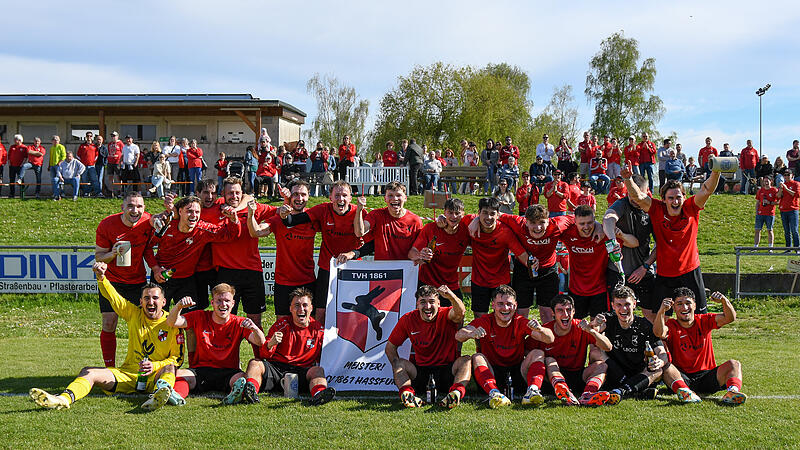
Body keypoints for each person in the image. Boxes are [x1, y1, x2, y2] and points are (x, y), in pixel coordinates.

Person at [29, 262, 182, 411]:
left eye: (155, 298)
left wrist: (154, 366)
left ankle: (158, 395)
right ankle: (62, 399)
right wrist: (101, 278)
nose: (151, 302)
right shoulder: (134, 313)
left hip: (156, 376)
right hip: (128, 374)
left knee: (169, 367)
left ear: (163, 301)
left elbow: (177, 359)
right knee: (89, 371)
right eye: (147, 298)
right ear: (141, 301)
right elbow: (114, 297)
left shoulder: (172, 323)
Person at [622, 158, 721, 314]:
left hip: (690, 272)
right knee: (661, 320)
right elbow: (638, 197)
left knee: (699, 319)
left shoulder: (691, 208)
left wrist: (716, 171)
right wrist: (627, 179)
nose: (675, 201)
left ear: (684, 197)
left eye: (678, 197)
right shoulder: (656, 209)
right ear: (664, 200)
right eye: (670, 198)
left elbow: (707, 190)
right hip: (665, 275)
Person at [455, 285, 554, 408]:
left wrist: (540, 329)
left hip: (517, 371)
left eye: (509, 304)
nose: (505, 308)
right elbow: (459, 335)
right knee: (477, 357)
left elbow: (550, 339)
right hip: (491, 371)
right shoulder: (485, 320)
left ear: (516, 305)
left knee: (538, 353)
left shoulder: (520, 321)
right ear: (493, 305)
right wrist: (471, 333)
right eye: (500, 304)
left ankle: (532, 391)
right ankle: (494, 393)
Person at [598, 286, 701, 404]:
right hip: (615, 373)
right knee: (595, 355)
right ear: (613, 306)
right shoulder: (608, 321)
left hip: (641, 374)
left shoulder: (645, 326)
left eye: (627, 304)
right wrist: (594, 326)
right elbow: (594, 331)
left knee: (660, 368)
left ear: (634, 304)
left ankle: (684, 392)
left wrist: (660, 361)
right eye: (619, 305)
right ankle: (589, 394)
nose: (624, 309)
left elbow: (662, 353)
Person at [166, 283, 266, 405]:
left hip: (228, 371)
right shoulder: (200, 316)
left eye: (227, 301)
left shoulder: (239, 322)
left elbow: (260, 342)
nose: (223, 305)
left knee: (242, 379)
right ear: (212, 302)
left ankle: (235, 395)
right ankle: (177, 396)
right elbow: (172, 322)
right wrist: (179, 306)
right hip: (201, 370)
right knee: (179, 374)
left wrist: (255, 328)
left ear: (233, 304)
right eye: (219, 301)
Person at [241, 288, 336, 406]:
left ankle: (319, 394)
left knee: (317, 370)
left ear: (311, 308)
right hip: (276, 370)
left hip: (302, 372)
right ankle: (251, 391)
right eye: (297, 305)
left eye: (305, 305)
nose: (301, 309)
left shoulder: (319, 330)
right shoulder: (281, 325)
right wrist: (271, 344)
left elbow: (328, 358)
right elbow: (263, 355)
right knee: (255, 363)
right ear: (290, 309)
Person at [653, 288, 747, 405]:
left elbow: (730, 318)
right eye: (679, 304)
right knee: (666, 366)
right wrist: (661, 311)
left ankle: (732, 392)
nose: (684, 307)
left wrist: (724, 301)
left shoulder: (704, 320)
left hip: (706, 376)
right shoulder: (671, 325)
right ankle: (685, 392)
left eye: (688, 303)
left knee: (734, 364)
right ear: (674, 308)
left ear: (695, 305)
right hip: (681, 376)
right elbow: (658, 333)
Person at [210, 177, 277, 338]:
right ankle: (227, 361)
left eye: (237, 192)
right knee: (223, 320)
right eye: (230, 193)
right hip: (226, 273)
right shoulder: (216, 206)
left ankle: (259, 359)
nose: (234, 196)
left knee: (254, 321)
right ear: (223, 194)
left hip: (251, 271)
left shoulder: (252, 206)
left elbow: (276, 210)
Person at [144, 195, 240, 308]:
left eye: (197, 212)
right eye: (189, 211)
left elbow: (229, 235)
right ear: (180, 211)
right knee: (156, 315)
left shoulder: (203, 229)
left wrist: (234, 220)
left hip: (187, 280)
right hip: (162, 277)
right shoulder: (167, 225)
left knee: (188, 319)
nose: (194, 215)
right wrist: (155, 269)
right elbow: (148, 247)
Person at [386, 285, 471, 408]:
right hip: (421, 372)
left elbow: (460, 312)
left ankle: (456, 393)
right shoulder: (408, 319)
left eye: (432, 302)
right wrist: (396, 367)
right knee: (399, 363)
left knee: (466, 360)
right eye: (423, 302)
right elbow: (390, 347)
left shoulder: (446, 314)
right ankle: (407, 394)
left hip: (447, 371)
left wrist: (451, 296)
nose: (427, 307)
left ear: (438, 304)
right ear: (417, 305)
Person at [94, 192, 153, 367]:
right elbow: (99, 256)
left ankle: (141, 366)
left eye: (139, 206)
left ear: (144, 208)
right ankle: (110, 368)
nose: (135, 210)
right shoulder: (107, 224)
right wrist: (112, 253)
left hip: (138, 282)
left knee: (141, 326)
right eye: (130, 206)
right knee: (109, 322)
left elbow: (151, 247)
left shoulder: (148, 222)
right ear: (122, 208)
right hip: (112, 282)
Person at [497, 203, 583, 322]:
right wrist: (475, 220)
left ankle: (548, 339)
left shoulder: (557, 224)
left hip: (548, 270)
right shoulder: (518, 222)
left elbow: (579, 217)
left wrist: (598, 227)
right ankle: (520, 339)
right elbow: (496, 214)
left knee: (547, 313)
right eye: (533, 223)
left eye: (542, 222)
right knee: (521, 311)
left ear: (548, 221)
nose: (537, 228)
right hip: (523, 269)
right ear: (526, 221)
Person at [248, 180, 316, 320]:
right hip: (284, 282)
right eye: (295, 194)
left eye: (303, 194)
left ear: (309, 196)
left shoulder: (313, 217)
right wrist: (251, 215)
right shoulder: (278, 218)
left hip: (307, 280)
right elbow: (256, 232)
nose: (299, 198)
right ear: (290, 196)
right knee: (283, 325)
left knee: (308, 324)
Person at [537, 294, 613, 406]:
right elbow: (528, 353)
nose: (565, 314)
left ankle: (587, 395)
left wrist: (591, 331)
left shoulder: (580, 326)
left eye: (568, 310)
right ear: (552, 313)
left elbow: (608, 347)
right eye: (560, 310)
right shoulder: (546, 330)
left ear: (574, 311)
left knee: (602, 365)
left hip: (578, 375)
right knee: (549, 360)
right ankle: (562, 389)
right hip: (553, 377)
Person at [603, 173, 657, 322]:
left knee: (652, 315)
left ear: (647, 192)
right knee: (615, 316)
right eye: (632, 195)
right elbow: (608, 218)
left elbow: (661, 244)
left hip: (644, 270)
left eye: (639, 195)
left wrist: (645, 266)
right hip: (618, 271)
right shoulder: (621, 204)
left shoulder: (651, 208)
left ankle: (658, 344)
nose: (635, 199)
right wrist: (613, 242)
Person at [464, 197, 531, 317]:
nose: (488, 218)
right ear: (478, 213)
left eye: (492, 214)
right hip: (479, 280)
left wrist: (536, 265)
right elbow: (450, 221)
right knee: (480, 319)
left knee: (504, 317)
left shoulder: (505, 232)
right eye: (485, 213)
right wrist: (441, 219)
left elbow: (522, 255)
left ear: (498, 215)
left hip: (501, 281)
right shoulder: (469, 221)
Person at [409, 198, 470, 302]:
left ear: (463, 214)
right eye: (450, 213)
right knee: (425, 315)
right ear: (444, 212)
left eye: (457, 213)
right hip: (427, 282)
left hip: (450, 284)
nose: (454, 216)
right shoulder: (431, 228)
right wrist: (420, 255)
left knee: (459, 314)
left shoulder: (466, 230)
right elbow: (411, 253)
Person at [561, 205, 610, 319]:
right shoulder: (568, 233)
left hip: (599, 289)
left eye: (590, 223)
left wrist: (601, 227)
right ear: (575, 222)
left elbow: (634, 242)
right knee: (575, 326)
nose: (586, 227)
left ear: (594, 220)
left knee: (598, 327)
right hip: (576, 289)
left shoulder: (604, 234)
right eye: (582, 224)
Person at [355, 181, 422, 260]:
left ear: (405, 198)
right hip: (383, 269)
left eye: (398, 195)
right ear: (385, 199)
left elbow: (419, 248)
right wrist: (359, 210)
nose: (395, 198)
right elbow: (359, 233)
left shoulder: (415, 220)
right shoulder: (376, 215)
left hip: (406, 268)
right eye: (390, 195)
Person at [778, 168, 800, 248]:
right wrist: (781, 189)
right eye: (785, 175)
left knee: (794, 230)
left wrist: (786, 189)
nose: (786, 177)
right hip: (783, 209)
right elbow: (778, 196)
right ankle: (788, 248)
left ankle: (797, 247)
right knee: (787, 231)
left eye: (788, 175)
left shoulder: (796, 184)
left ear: (792, 175)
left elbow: (797, 195)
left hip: (793, 209)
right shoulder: (783, 185)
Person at [754, 175, 778, 248]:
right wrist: (757, 211)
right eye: (765, 181)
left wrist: (769, 202)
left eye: (767, 181)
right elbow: (757, 202)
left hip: (770, 213)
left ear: (771, 181)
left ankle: (770, 247)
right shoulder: (760, 190)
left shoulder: (774, 190)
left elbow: (778, 202)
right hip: (760, 213)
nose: (766, 183)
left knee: (769, 230)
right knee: (757, 230)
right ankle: (755, 247)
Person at [106, 131, 123, 198]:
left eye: (114, 136)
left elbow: (123, 152)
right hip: (110, 162)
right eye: (112, 136)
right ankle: (111, 191)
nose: (113, 137)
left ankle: (119, 191)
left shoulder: (120, 143)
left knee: (118, 177)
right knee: (110, 177)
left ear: (117, 136)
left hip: (117, 162)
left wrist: (120, 161)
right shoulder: (110, 143)